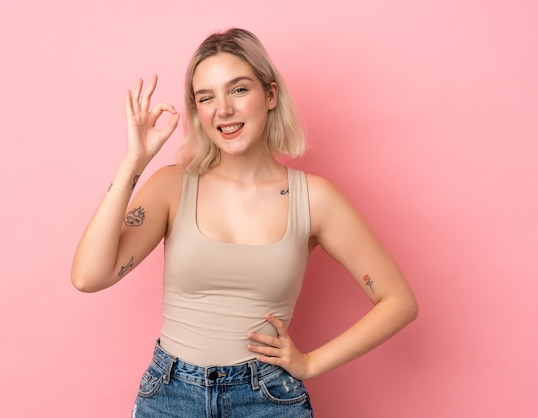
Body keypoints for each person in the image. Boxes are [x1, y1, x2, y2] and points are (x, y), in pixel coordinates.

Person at [71, 28, 418, 417]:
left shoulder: (314, 199)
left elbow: (399, 302)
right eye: (206, 97)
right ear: (198, 112)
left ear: (270, 95)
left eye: (238, 90)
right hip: (171, 397)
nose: (223, 109)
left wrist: (312, 363)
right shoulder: (172, 186)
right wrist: (134, 161)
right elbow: (89, 277)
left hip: (266, 398)